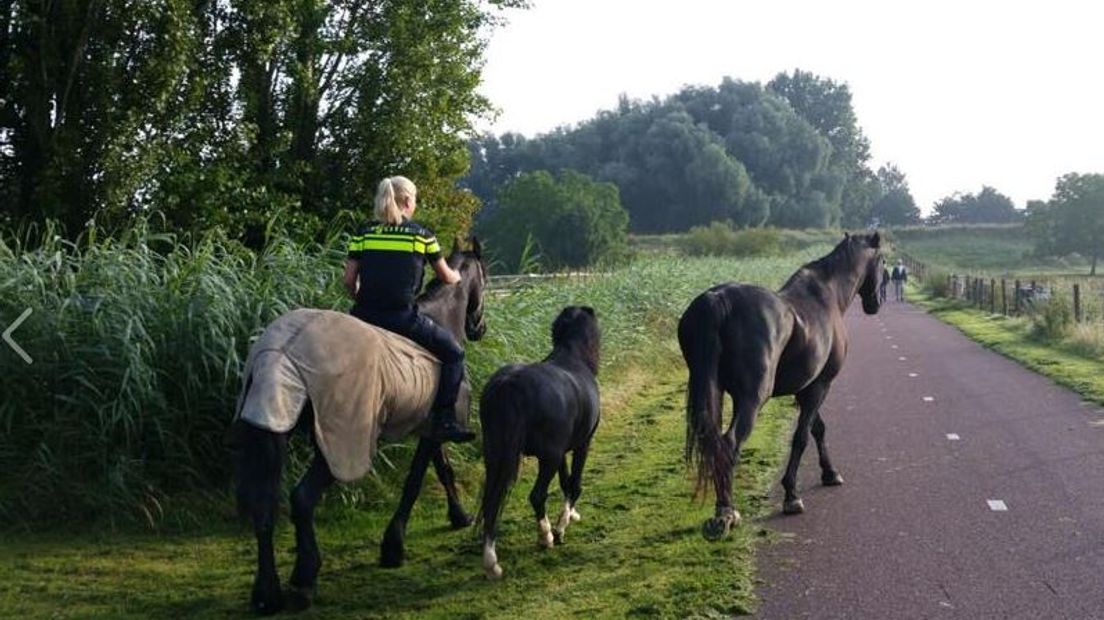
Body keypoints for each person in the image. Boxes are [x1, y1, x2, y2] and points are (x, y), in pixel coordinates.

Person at [343, 175, 475, 443]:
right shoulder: (422, 236)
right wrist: (458, 277)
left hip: (362, 316)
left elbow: (348, 280)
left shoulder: (364, 233)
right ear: (406, 201)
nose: (414, 204)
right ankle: (446, 420)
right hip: (401, 318)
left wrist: (359, 297)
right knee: (454, 354)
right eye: (414, 199)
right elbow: (446, 276)